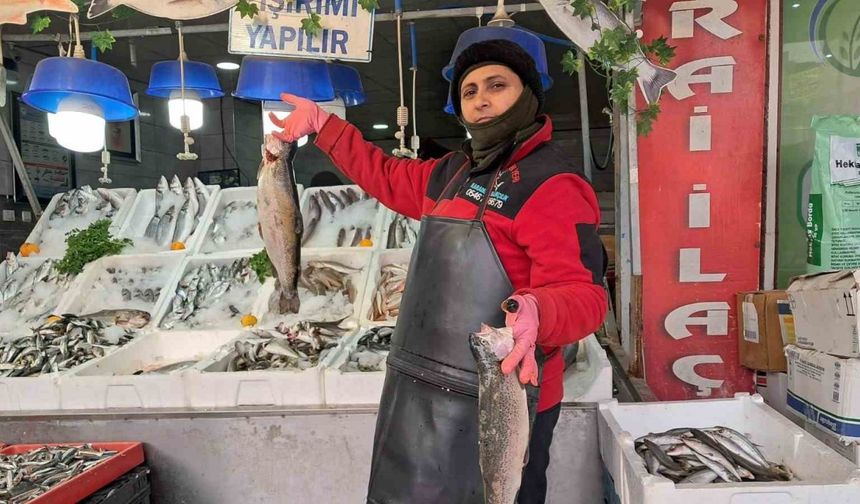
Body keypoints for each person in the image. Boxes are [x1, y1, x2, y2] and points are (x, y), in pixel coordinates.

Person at [270, 38, 607, 504]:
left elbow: (585, 295)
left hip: (505, 398)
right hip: (418, 390)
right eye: (469, 92)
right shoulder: (451, 173)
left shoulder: (552, 183)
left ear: (528, 94)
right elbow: (384, 175)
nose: (481, 99)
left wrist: (538, 310)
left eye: (496, 85)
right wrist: (325, 127)